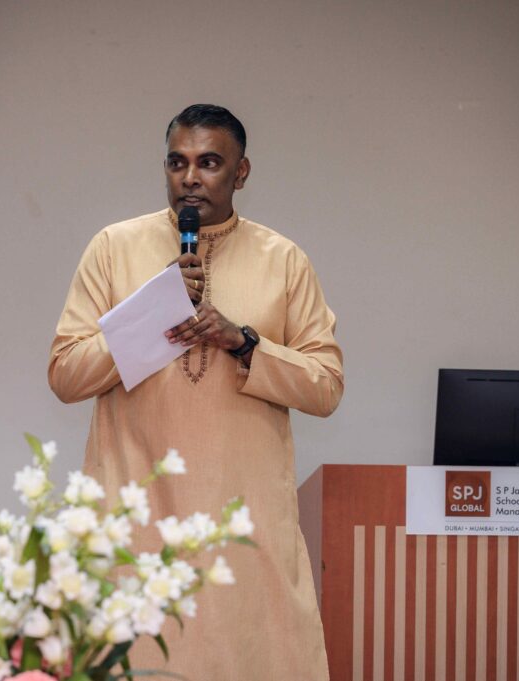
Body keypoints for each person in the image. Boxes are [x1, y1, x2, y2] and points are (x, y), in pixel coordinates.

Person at [49, 104, 343, 680]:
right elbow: (66, 375)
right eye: (177, 162)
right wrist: (152, 313)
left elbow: (326, 385)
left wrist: (244, 342)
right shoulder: (113, 248)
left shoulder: (283, 260)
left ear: (241, 172)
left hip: (244, 527)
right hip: (138, 523)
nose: (190, 177)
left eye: (209, 162)